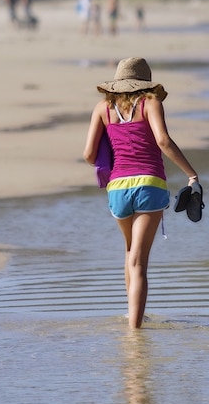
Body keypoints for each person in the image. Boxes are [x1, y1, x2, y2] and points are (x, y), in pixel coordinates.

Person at [83, 57, 200, 328]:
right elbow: (162, 141)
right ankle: (135, 332)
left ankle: (132, 315)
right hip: (149, 184)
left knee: (129, 253)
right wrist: (191, 173)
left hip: (118, 188)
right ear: (145, 82)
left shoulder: (103, 109)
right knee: (139, 261)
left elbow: (89, 154)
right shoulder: (151, 104)